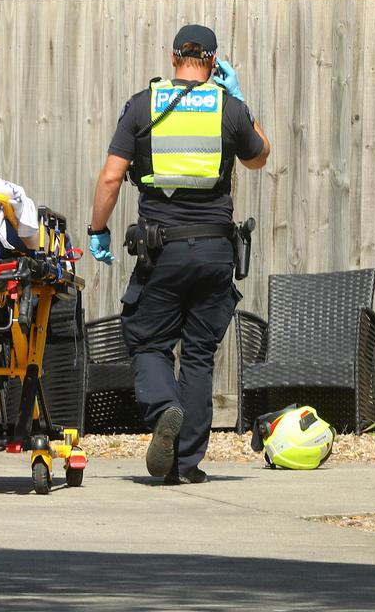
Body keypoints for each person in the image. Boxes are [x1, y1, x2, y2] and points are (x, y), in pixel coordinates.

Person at [87, 24, 271, 484]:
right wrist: (243, 105)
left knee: (148, 341)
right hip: (215, 251)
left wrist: (98, 230)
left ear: (173, 57)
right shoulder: (228, 108)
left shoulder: (143, 104)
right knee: (199, 355)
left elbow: (111, 178)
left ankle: (163, 406)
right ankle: (185, 465)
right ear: (214, 61)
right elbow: (259, 156)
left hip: (161, 250)